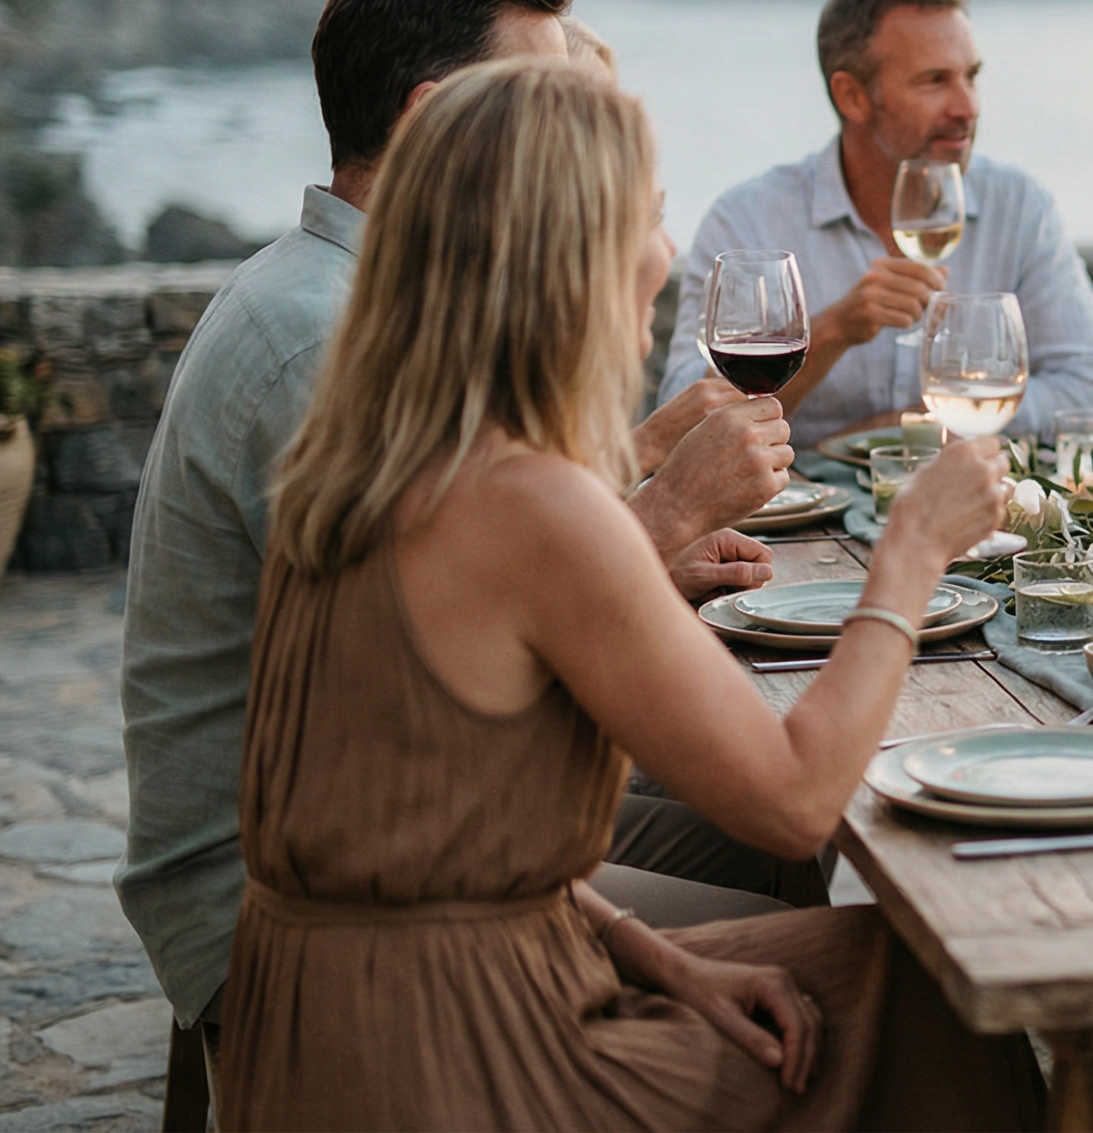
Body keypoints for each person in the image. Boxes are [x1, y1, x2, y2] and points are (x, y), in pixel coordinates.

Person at [215, 56, 1041, 1129]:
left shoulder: (353, 460)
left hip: (325, 1023)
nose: (664, 254)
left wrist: (662, 958)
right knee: (928, 995)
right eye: (649, 219)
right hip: (455, 1060)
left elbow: (436, 837)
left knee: (871, 972)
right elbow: (795, 806)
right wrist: (911, 556)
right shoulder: (531, 503)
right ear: (573, 255)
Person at [117, 0, 800, 1068]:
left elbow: (452, 585)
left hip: (389, 840)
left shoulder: (361, 301)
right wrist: (662, 514)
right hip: (289, 909)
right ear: (439, 119)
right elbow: (427, 680)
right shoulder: (324, 344)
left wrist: (631, 473)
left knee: (766, 849)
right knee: (804, 890)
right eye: (542, 96)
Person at [664, 0, 1093, 450]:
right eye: (935, 81)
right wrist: (835, 330)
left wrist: (914, 425)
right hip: (797, 522)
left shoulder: (1019, 207)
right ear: (853, 96)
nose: (968, 107)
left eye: (971, 77)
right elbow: (682, 424)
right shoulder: (747, 222)